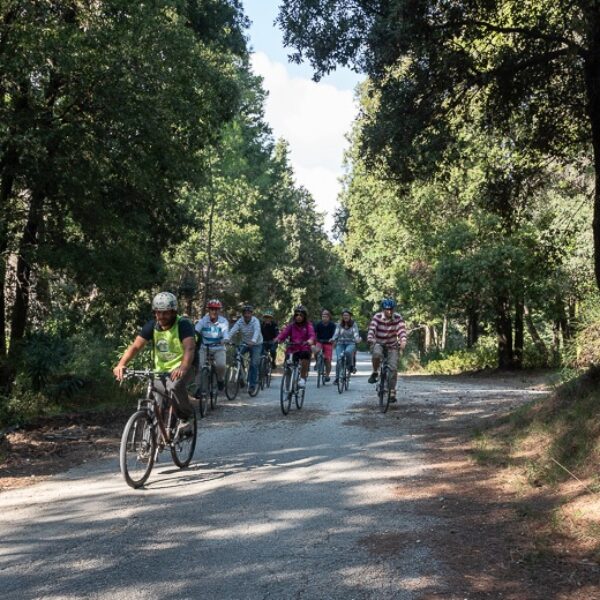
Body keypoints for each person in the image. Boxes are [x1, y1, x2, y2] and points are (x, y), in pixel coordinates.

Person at [113, 291, 195, 433]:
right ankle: (155, 438)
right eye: (158, 313)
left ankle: (186, 417)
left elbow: (189, 348)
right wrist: (121, 364)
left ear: (174, 312)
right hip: (161, 369)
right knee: (157, 397)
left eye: (166, 313)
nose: (161, 317)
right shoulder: (152, 326)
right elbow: (135, 347)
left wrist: (183, 367)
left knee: (175, 385)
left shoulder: (183, 324)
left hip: (186, 364)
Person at [366, 298, 407, 402]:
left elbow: (401, 330)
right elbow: (372, 328)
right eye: (387, 309)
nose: (389, 311)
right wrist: (370, 337)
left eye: (391, 309)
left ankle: (392, 391)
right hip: (379, 343)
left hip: (392, 345)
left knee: (393, 368)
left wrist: (403, 341)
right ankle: (375, 371)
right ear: (383, 309)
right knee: (376, 353)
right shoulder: (377, 317)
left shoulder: (398, 317)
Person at [276, 305, 315, 388]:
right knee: (288, 364)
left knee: (305, 357)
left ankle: (302, 379)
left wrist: (310, 340)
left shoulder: (308, 325)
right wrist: (278, 339)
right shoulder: (291, 325)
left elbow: (312, 335)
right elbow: (284, 333)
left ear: (304, 316)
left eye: (301, 315)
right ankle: (287, 385)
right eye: (297, 315)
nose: (298, 317)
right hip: (292, 349)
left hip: (304, 347)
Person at [194, 299, 229, 392]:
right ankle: (199, 388)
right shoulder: (203, 320)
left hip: (219, 347)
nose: (214, 311)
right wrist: (193, 338)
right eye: (212, 309)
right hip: (204, 347)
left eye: (216, 309)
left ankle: (220, 380)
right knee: (200, 366)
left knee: (221, 365)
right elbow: (196, 330)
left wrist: (225, 339)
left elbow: (225, 331)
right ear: (208, 310)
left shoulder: (223, 321)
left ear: (219, 311)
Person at [228, 304, 263, 394]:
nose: (247, 315)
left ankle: (252, 385)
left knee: (254, 364)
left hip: (256, 344)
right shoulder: (240, 321)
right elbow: (233, 330)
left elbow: (257, 331)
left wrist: (253, 341)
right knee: (237, 356)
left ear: (251, 314)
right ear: (243, 314)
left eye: (249, 313)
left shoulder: (255, 321)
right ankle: (241, 376)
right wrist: (226, 339)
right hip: (245, 343)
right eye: (245, 313)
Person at [332, 309, 361, 383]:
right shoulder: (339, 324)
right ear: (342, 316)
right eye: (344, 315)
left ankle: (350, 366)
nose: (345, 317)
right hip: (340, 343)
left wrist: (357, 339)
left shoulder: (354, 324)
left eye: (347, 315)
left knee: (348, 352)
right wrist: (333, 338)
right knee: (339, 360)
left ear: (350, 316)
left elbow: (356, 333)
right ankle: (337, 378)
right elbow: (336, 333)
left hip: (351, 343)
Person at [313, 309, 336, 382]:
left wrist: (333, 340)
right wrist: (315, 340)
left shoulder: (332, 325)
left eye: (326, 316)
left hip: (328, 343)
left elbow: (335, 335)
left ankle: (327, 375)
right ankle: (317, 363)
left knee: (328, 360)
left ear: (329, 317)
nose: (324, 318)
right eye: (323, 316)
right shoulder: (318, 324)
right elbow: (314, 333)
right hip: (320, 341)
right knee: (316, 351)